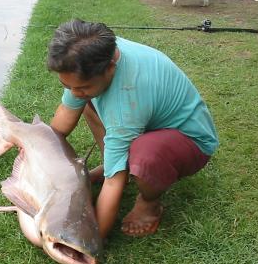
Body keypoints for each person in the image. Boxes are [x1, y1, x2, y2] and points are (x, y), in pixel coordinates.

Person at [47, 19, 219, 240]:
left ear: (110, 67)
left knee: (145, 154)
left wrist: (91, 240)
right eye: (67, 86)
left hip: (191, 142)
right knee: (87, 101)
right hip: (147, 122)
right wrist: (38, 147)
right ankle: (115, 162)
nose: (73, 92)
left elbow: (112, 182)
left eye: (82, 86)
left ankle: (149, 204)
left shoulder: (127, 101)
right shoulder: (96, 53)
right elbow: (62, 122)